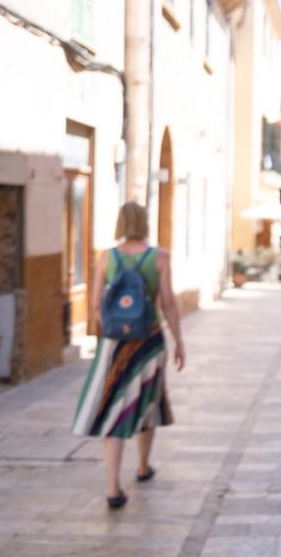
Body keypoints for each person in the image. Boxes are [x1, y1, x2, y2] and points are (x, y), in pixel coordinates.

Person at [71, 202, 186, 509]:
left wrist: (112, 329)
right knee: (148, 402)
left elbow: (95, 304)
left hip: (115, 344)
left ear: (120, 223)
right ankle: (143, 466)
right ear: (145, 222)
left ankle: (112, 487)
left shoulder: (107, 258)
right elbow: (168, 303)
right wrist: (179, 341)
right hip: (148, 340)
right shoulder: (159, 257)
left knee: (113, 409)